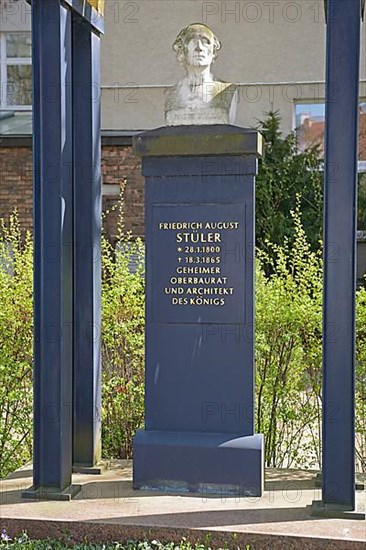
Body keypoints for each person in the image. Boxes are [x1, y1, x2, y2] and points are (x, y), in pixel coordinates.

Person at [165, 23, 237, 126]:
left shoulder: (227, 91)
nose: (199, 48)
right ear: (181, 51)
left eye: (205, 42)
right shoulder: (171, 94)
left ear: (213, 52)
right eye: (191, 42)